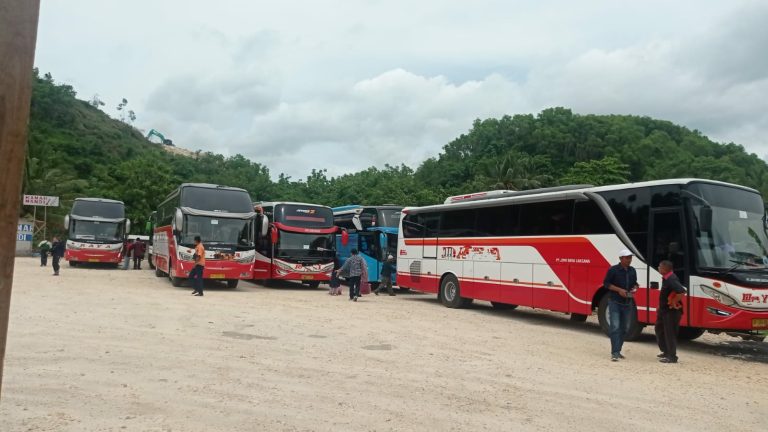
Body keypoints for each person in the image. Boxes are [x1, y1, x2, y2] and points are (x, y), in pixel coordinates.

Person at [603, 248, 639, 361]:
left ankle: (618, 350)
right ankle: (615, 352)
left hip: (627, 303)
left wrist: (635, 288)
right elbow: (606, 284)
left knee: (625, 328)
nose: (629, 260)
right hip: (614, 302)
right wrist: (619, 290)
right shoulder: (613, 270)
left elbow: (635, 283)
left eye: (630, 258)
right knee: (615, 327)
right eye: (627, 258)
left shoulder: (632, 270)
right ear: (621, 258)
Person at [655, 260, 687, 364]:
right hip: (663, 310)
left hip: (671, 312)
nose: (658, 268)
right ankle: (665, 351)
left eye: (659, 266)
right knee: (659, 329)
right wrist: (660, 306)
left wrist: (674, 302)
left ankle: (672, 356)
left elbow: (681, 291)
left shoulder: (671, 279)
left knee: (670, 333)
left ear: (664, 269)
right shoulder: (666, 278)